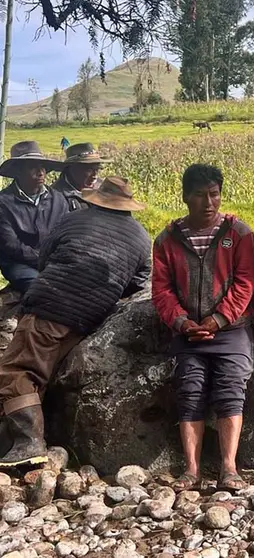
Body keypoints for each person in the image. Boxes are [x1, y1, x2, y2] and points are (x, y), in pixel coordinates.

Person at [0, 177, 151, 467]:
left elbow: (45, 258)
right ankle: (13, 440)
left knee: (16, 371)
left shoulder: (74, 219)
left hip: (50, 306)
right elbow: (137, 282)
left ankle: (29, 442)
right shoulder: (141, 237)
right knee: (43, 370)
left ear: (98, 198)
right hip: (92, 317)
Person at [152, 164, 254, 492]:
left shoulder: (239, 233)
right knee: (190, 389)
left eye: (214, 194)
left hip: (231, 330)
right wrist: (182, 322)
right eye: (200, 195)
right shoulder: (167, 239)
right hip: (188, 332)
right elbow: (162, 290)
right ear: (185, 197)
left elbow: (245, 282)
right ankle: (192, 469)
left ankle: (229, 466)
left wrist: (219, 319)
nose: (208, 202)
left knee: (230, 387)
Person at [0, 141, 70, 294]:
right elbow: (11, 245)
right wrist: (44, 260)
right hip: (19, 264)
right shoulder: (4, 202)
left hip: (54, 260)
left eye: (42, 167)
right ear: (17, 171)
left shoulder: (57, 199)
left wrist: (59, 259)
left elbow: (67, 233)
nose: (40, 172)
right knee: (42, 289)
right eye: (32, 167)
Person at [53, 143, 106, 211]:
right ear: (72, 169)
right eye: (89, 170)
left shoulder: (102, 186)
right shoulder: (56, 197)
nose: (95, 175)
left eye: (97, 169)